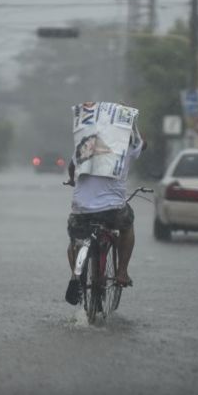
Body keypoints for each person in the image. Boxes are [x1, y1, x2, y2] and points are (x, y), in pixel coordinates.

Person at [64, 122, 146, 305]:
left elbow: (71, 167)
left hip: (82, 210)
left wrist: (71, 180)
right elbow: (143, 144)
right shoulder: (127, 145)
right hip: (112, 211)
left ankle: (75, 275)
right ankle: (122, 272)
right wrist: (133, 125)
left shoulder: (85, 145)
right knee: (127, 226)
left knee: (75, 241)